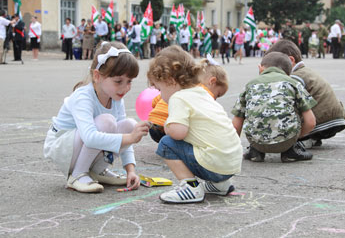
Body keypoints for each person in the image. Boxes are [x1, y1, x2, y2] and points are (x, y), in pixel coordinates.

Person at [43, 41, 150, 193]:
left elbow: (125, 134)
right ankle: (77, 175)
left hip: (80, 148)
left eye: (129, 81)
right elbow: (89, 137)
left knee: (129, 125)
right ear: (97, 76)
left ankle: (98, 170)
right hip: (63, 149)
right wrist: (130, 138)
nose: (125, 87)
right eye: (118, 81)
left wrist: (130, 170)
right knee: (107, 122)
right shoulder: (83, 96)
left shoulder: (116, 97)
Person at [147, 45, 242, 204]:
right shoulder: (203, 93)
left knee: (166, 143)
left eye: (159, 89)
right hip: (231, 164)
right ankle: (220, 185)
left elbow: (178, 133)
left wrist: (168, 125)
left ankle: (190, 187)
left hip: (214, 166)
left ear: (170, 81)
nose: (161, 96)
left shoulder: (178, 98)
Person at [232, 52, 316, 163]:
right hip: (287, 141)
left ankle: (255, 152)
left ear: (260, 68)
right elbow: (311, 122)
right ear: (288, 72)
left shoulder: (249, 85)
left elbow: (236, 124)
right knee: (296, 108)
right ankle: (290, 152)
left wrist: (232, 150)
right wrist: (293, 138)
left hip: (256, 141)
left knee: (254, 112)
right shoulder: (293, 83)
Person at [266, 39, 345, 148]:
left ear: (290, 61)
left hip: (321, 121)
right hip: (335, 119)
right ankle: (313, 138)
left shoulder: (295, 77)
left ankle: (302, 139)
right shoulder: (306, 71)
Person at [148, 56, 229, 143]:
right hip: (165, 128)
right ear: (212, 82)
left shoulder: (184, 85)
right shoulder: (203, 92)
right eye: (217, 94)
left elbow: (154, 102)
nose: (215, 99)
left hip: (153, 125)